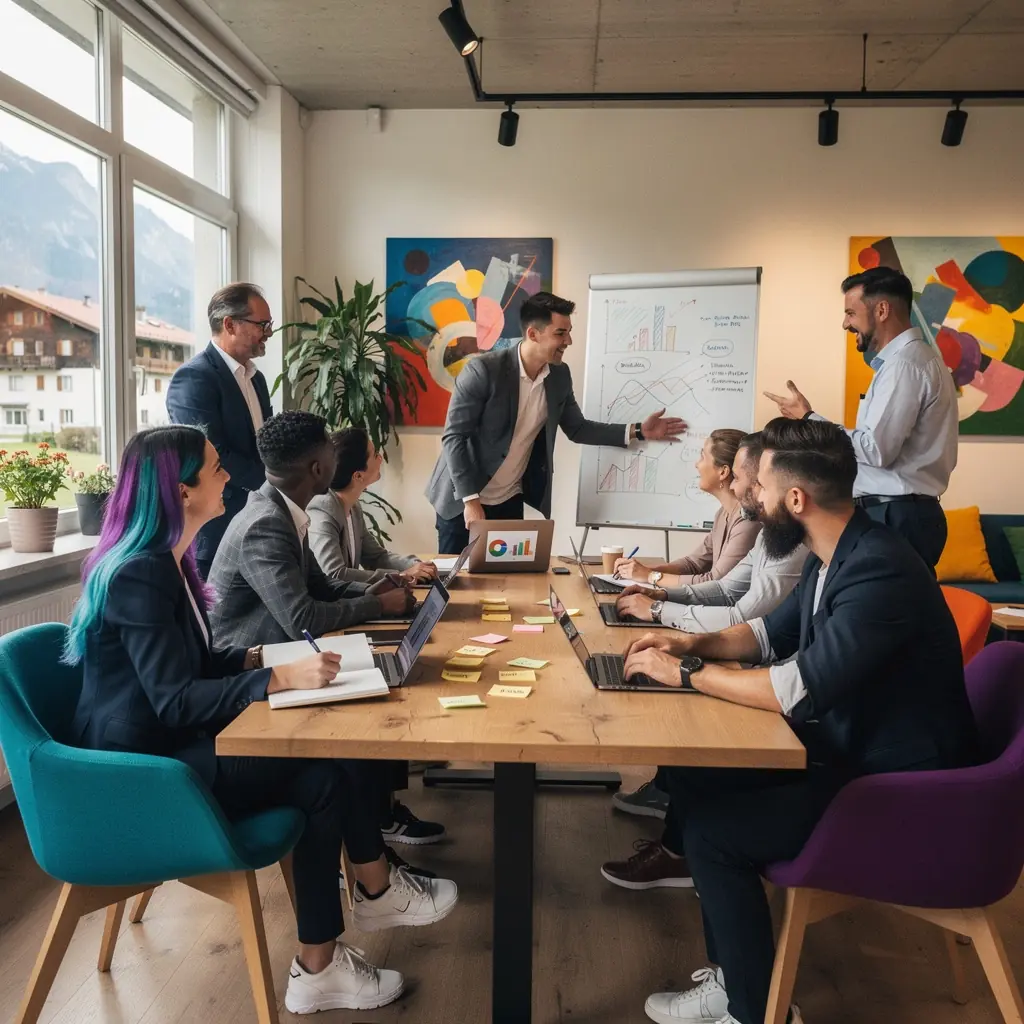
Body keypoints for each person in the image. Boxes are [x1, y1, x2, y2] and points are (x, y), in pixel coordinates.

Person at [65, 425, 459, 1015]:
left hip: (173, 742)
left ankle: (330, 951)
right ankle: (367, 899)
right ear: (181, 490)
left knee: (327, 767)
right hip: (145, 769)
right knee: (327, 763)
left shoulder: (164, 560)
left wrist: (262, 658)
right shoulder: (139, 574)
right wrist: (275, 678)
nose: (232, 475)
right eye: (217, 468)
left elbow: (193, 662)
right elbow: (173, 700)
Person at [608, 418, 977, 1024]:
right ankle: (736, 979)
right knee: (695, 781)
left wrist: (688, 675)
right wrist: (680, 645)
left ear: (796, 499)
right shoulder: (836, 553)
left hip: (897, 787)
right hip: (851, 749)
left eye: (764, 488)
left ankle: (755, 1012)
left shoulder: (878, 569)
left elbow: (798, 687)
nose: (754, 498)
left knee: (714, 836)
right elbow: (763, 635)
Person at [208, 411, 445, 846]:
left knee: (383, 679)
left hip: (282, 654)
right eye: (330, 452)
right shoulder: (265, 523)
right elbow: (302, 618)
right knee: (363, 723)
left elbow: (323, 585)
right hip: (249, 674)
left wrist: (381, 587)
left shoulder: (283, 510)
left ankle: (379, 824)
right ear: (318, 468)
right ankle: (370, 851)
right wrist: (377, 603)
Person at [608, 432, 806, 824]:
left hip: (791, 707)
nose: (739, 487)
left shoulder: (788, 542)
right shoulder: (771, 533)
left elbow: (742, 617)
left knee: (683, 700)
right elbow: (731, 593)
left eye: (753, 482)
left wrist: (671, 629)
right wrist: (661, 602)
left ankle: (681, 809)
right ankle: (674, 794)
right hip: (773, 675)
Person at [425, 291, 687, 553]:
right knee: (454, 583)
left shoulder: (559, 376)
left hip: (508, 499)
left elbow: (578, 428)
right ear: (533, 334)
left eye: (569, 332)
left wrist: (639, 430)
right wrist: (471, 501)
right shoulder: (483, 371)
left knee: (507, 584)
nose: (568, 341)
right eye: (560, 333)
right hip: (462, 497)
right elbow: (454, 437)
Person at [764, 265, 958, 570]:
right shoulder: (907, 362)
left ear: (881, 310)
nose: (845, 323)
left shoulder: (905, 366)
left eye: (851, 313)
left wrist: (811, 419)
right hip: (899, 513)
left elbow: (876, 450)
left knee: (882, 610)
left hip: (896, 515)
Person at [166, 283, 275, 579]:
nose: (268, 332)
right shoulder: (193, 379)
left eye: (269, 324)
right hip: (215, 534)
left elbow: (265, 448)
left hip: (256, 525)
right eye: (261, 324)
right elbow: (214, 457)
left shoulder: (257, 379)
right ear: (229, 324)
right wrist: (276, 485)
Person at [613, 430, 761, 587]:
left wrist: (650, 576)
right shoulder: (723, 513)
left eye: (703, 456)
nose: (696, 464)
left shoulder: (747, 521)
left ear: (723, 472)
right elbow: (694, 564)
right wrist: (643, 570)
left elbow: (714, 582)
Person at [309, 427, 437, 585]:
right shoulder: (323, 510)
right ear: (358, 476)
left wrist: (415, 566)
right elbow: (334, 573)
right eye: (375, 455)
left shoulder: (353, 506)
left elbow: (376, 557)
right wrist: (402, 576)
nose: (381, 458)